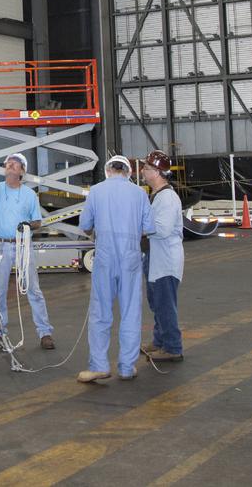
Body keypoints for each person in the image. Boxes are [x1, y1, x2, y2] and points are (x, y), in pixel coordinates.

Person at [76, 155, 155, 383]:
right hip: (130, 257)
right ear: (128, 172)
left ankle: (99, 365)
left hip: (105, 257)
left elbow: (85, 226)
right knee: (131, 311)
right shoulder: (139, 193)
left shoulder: (97, 191)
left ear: (108, 170)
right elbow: (149, 228)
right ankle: (127, 367)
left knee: (101, 311)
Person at [0, 152, 55, 351]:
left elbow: (37, 221)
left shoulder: (29, 195)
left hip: (22, 246)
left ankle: (45, 332)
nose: (9, 165)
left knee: (34, 290)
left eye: (14, 163)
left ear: (22, 171)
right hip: (0, 246)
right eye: (8, 163)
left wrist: (28, 225)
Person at [141, 149, 184, 363]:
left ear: (157, 172)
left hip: (165, 261)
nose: (143, 171)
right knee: (156, 302)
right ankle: (159, 341)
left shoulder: (166, 198)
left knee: (165, 303)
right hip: (155, 257)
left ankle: (172, 347)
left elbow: (162, 229)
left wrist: (138, 226)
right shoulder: (156, 195)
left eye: (147, 168)